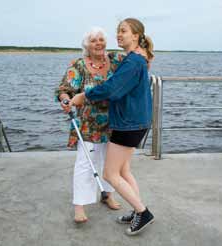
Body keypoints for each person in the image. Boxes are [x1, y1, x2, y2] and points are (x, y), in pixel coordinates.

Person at [70, 18, 155, 235]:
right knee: (124, 170)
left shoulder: (132, 61)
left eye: (123, 31)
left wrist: (84, 95)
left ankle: (143, 212)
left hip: (129, 124)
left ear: (135, 35)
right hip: (134, 122)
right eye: (117, 31)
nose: (118, 35)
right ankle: (137, 210)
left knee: (110, 174)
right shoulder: (134, 58)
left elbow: (113, 89)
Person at [55, 27, 125, 223]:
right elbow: (64, 89)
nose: (98, 43)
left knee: (112, 162)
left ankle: (108, 194)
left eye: (101, 39)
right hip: (88, 123)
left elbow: (137, 64)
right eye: (93, 40)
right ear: (87, 45)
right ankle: (80, 205)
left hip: (115, 121)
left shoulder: (116, 61)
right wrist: (65, 100)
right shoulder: (78, 65)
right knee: (85, 164)